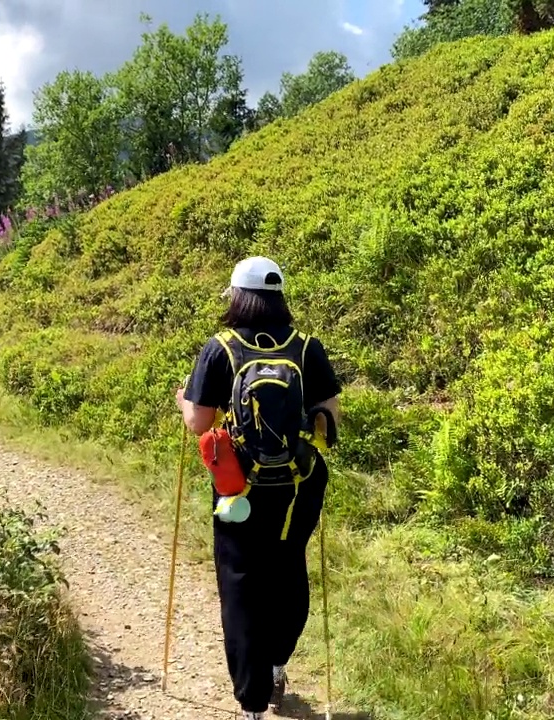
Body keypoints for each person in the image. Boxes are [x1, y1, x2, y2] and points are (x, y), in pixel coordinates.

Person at [174, 256, 341, 720]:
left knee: (241, 584)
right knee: (289, 571)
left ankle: (250, 703)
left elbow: (199, 422)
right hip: (296, 488)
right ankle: (277, 664)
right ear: (279, 297)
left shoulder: (220, 349)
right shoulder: (306, 347)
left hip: (238, 489)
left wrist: (182, 401)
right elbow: (331, 415)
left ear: (237, 296)